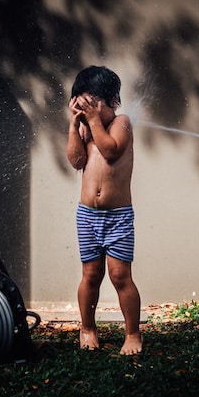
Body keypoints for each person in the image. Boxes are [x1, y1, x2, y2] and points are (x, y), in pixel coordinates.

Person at [66, 65, 143, 355]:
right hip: (88, 215)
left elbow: (111, 150)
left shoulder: (120, 123)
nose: (86, 111)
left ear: (112, 101)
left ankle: (132, 334)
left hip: (118, 217)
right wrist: (75, 126)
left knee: (120, 276)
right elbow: (76, 161)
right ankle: (87, 328)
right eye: (81, 105)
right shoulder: (85, 128)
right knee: (91, 275)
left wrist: (95, 120)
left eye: (91, 105)